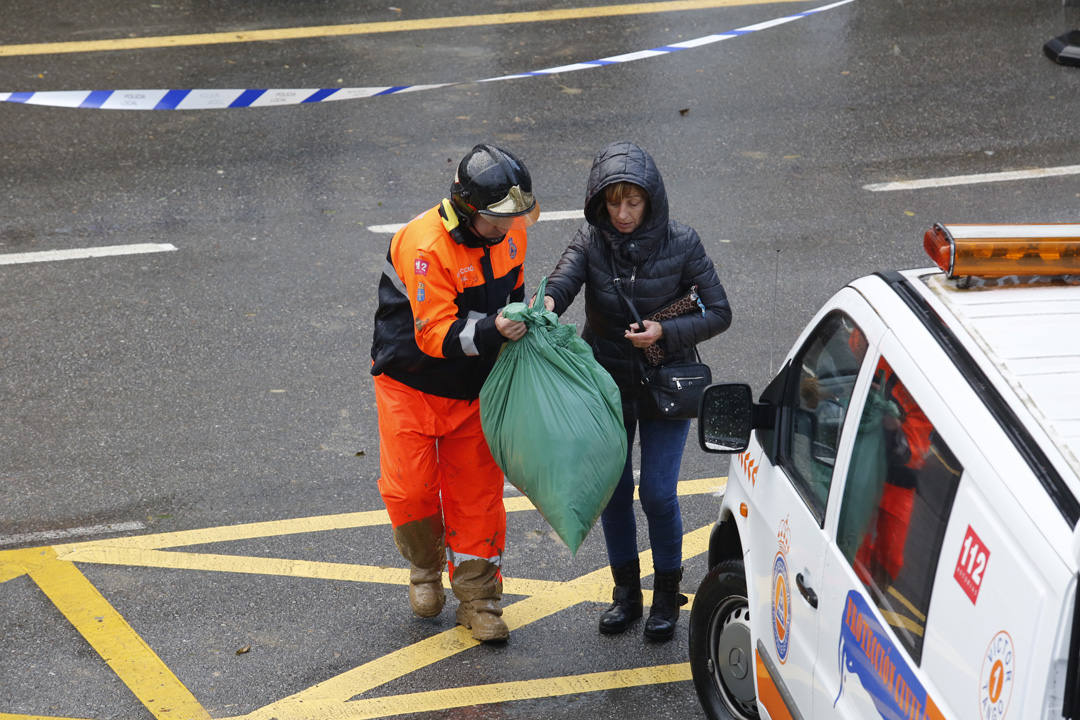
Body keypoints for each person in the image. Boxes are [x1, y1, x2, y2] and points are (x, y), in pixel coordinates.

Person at [542, 141, 731, 641]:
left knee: (658, 493)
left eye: (634, 202)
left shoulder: (683, 242)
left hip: (663, 384)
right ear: (599, 202)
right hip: (605, 386)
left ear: (652, 201)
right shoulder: (589, 241)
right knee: (615, 493)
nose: (623, 214)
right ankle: (626, 594)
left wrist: (664, 332)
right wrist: (541, 310)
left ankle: (667, 594)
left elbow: (719, 312)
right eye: (613, 203)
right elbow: (560, 284)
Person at [369, 143, 539, 643]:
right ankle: (425, 567)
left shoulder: (511, 231)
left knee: (477, 499)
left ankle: (480, 600)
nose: (506, 228)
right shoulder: (424, 248)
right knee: (412, 491)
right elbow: (434, 335)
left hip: (473, 390)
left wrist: (518, 324)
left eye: (512, 216)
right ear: (466, 208)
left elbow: (511, 294)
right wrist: (495, 329)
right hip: (411, 387)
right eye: (495, 219)